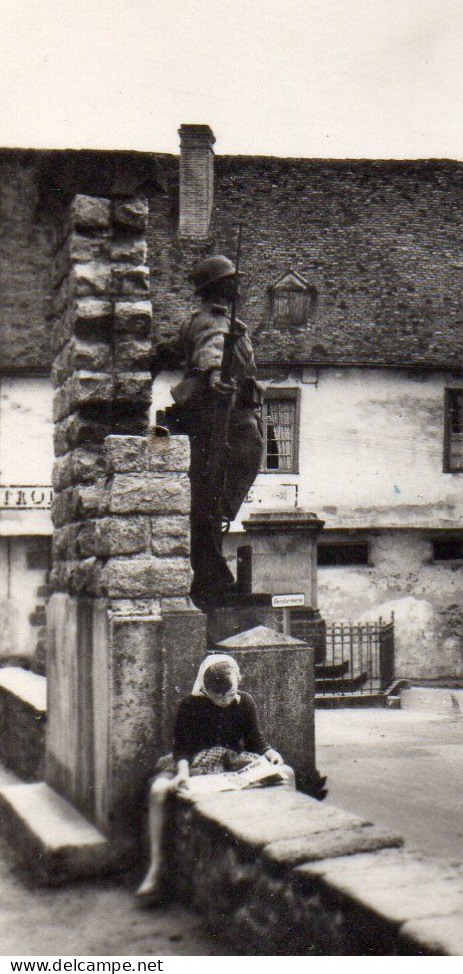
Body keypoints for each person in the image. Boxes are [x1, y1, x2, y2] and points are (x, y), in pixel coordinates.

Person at [135, 654, 294, 903]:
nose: (223, 700)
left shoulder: (245, 702)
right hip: (193, 762)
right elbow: (182, 748)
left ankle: (287, 851)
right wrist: (184, 774)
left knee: (287, 774)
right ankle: (156, 867)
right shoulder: (190, 705)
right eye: (216, 695)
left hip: (230, 760)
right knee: (158, 790)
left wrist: (270, 753)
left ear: (237, 684)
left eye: (229, 694)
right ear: (205, 689)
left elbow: (254, 739)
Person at [159, 255, 264, 606]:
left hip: (207, 414)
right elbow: (212, 351)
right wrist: (216, 376)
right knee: (248, 447)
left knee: (205, 496)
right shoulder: (216, 321)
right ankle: (213, 564)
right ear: (218, 287)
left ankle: (212, 558)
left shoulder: (200, 320)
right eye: (232, 280)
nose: (238, 286)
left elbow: (180, 350)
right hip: (219, 415)